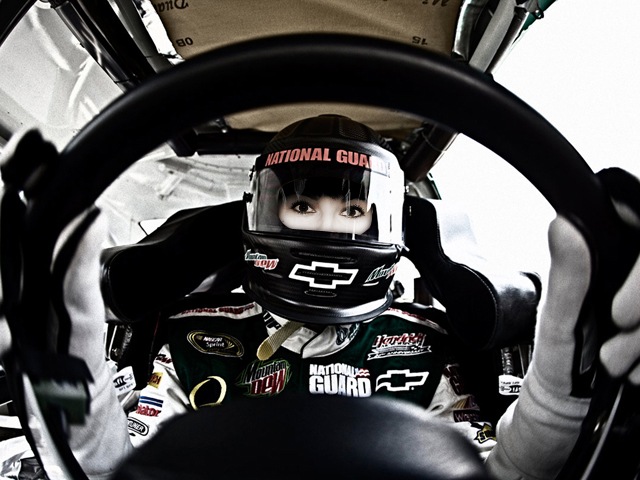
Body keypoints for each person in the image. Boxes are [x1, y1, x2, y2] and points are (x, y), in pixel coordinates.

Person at [20, 114, 640, 479]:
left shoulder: (422, 341)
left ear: (387, 221)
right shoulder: (195, 334)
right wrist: (64, 385)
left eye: (351, 208)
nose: (327, 228)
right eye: (302, 204)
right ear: (262, 211)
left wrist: (556, 409)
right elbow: (106, 468)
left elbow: (500, 473)